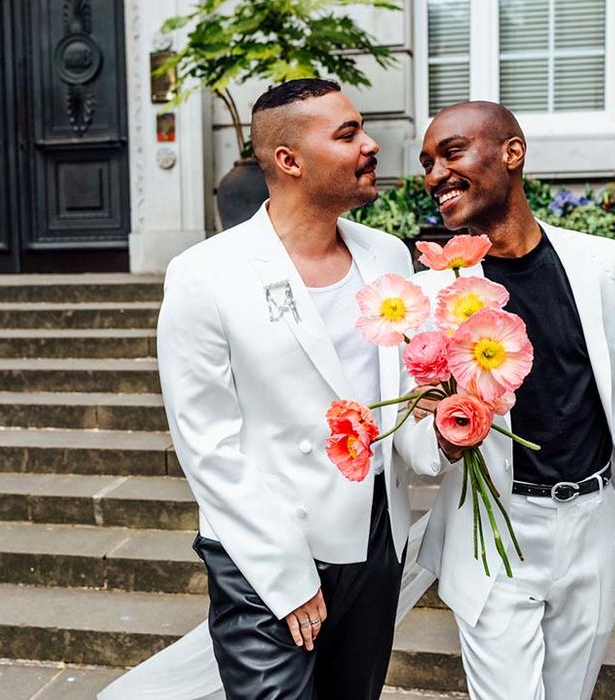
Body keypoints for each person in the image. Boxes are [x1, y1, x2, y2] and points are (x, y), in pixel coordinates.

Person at [157, 78, 436, 700]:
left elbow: (401, 402)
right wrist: (286, 578)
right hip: (262, 551)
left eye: (362, 128)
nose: (371, 145)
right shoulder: (204, 275)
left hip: (374, 541)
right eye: (347, 135)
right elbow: (207, 446)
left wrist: (450, 424)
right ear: (289, 160)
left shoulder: (388, 256)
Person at [395, 101, 615, 700]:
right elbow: (416, 449)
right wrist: (444, 427)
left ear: (512, 154)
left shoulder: (600, 266)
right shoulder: (430, 295)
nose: (434, 174)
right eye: (426, 163)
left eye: (452, 152)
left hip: (595, 523)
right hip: (495, 536)